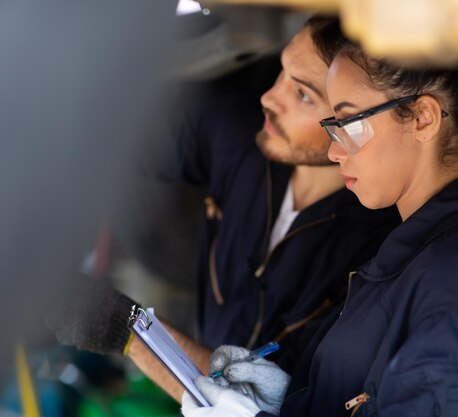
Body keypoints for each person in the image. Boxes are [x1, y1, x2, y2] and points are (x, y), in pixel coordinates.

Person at [181, 18, 458, 417]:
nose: (335, 153)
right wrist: (294, 403)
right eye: (333, 127)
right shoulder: (410, 261)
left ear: (423, 117)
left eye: (348, 123)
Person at [47, 16, 400, 402]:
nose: (269, 96)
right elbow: (118, 144)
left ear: (353, 122)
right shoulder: (242, 129)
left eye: (302, 94)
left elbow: (261, 403)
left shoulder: (376, 256)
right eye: (281, 72)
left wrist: (126, 328)